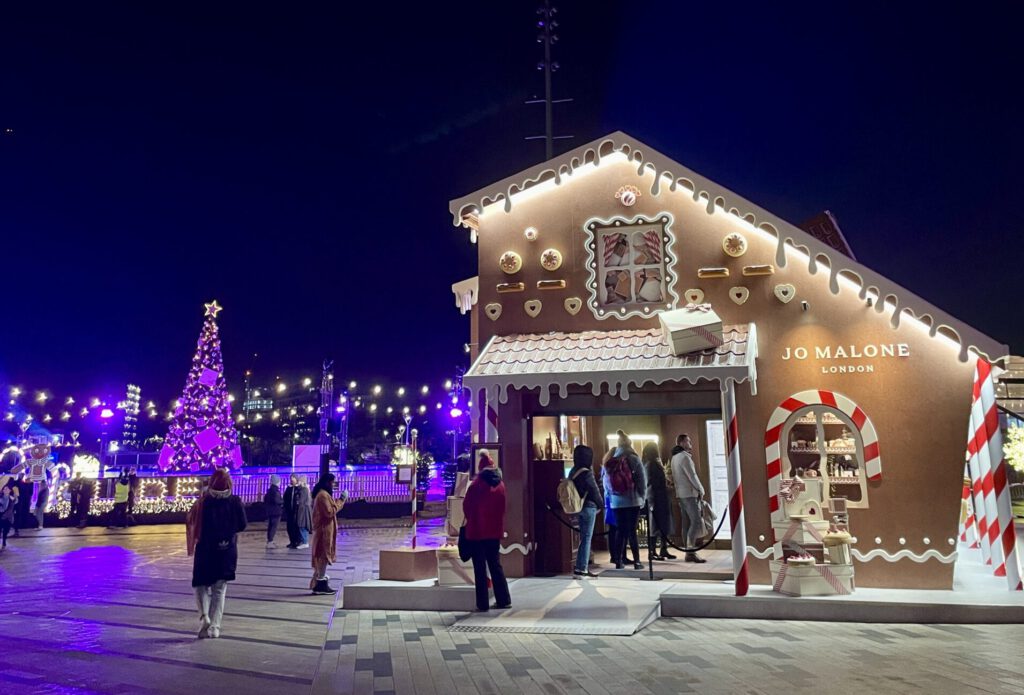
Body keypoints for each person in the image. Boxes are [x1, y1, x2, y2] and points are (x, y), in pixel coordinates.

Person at [187, 468, 247, 639]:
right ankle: (215, 627)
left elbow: (193, 523)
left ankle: (204, 616)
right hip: (226, 550)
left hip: (205, 550)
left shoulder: (203, 502)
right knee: (219, 589)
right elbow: (242, 524)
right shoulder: (235, 501)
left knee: (200, 585)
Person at [462, 453, 512, 612]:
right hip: (494, 532)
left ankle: (482, 603)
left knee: (480, 568)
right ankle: (504, 600)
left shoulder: (476, 486)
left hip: (477, 532)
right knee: (495, 565)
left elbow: (467, 507)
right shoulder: (501, 485)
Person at [602, 430, 646, 570]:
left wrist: (611, 496)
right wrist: (642, 497)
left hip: (616, 502)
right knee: (632, 531)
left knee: (620, 531)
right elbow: (641, 480)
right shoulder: (634, 458)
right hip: (632, 500)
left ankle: (619, 561)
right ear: (629, 443)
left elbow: (605, 482)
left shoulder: (611, 459)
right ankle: (637, 562)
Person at [670, 433, 707, 563]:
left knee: (686, 523)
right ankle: (691, 551)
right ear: (682, 443)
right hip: (689, 494)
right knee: (696, 521)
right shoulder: (684, 458)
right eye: (688, 441)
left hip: (681, 494)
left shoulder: (674, 458)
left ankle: (688, 551)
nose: (690, 443)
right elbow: (692, 476)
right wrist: (701, 489)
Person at [568, 445, 603, 578]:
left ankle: (580, 567)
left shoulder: (573, 471)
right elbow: (594, 491)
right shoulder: (587, 472)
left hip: (578, 507)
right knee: (587, 538)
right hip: (589, 506)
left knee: (583, 538)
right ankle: (582, 568)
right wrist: (602, 505)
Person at [310, 473, 347, 594]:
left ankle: (319, 581)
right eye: (332, 482)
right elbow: (330, 512)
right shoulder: (323, 496)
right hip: (324, 531)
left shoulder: (322, 495)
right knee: (323, 555)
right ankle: (320, 583)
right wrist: (341, 500)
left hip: (325, 530)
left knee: (324, 556)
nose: (333, 485)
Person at [642, 442, 676, 560]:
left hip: (661, 498)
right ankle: (652, 551)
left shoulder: (653, 464)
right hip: (656, 498)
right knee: (655, 525)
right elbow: (650, 484)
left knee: (663, 525)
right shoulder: (651, 465)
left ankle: (663, 549)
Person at [264, 474, 284, 549]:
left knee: (270, 526)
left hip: (270, 511)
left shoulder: (269, 490)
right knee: (273, 527)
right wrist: (283, 501)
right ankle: (270, 541)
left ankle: (270, 541)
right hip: (276, 512)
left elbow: (265, 499)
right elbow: (277, 500)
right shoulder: (275, 491)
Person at [0, 483, 15, 550]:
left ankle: (4, 541)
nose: (5, 490)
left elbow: (11, 509)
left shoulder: (12, 499)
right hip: (0, 516)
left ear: (10, 490)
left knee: (6, 531)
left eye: (7, 489)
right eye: (4, 489)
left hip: (8, 518)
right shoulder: (0, 497)